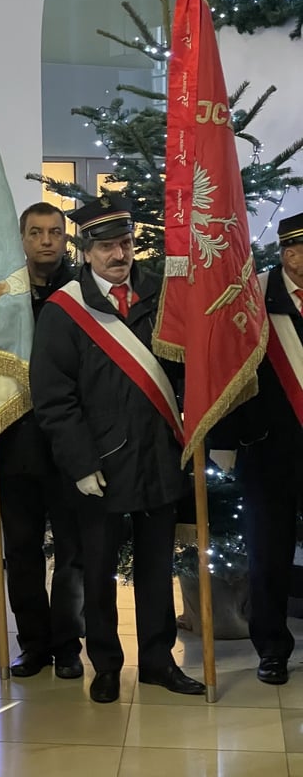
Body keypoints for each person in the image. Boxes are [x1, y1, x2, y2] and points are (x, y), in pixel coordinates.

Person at [30, 193, 205, 704]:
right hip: (99, 465)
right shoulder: (65, 310)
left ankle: (157, 661)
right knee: (98, 569)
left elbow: (186, 370)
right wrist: (81, 463)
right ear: (86, 251)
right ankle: (105, 664)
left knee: (156, 567)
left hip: (158, 455)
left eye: (125, 243)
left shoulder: (161, 294)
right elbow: (54, 398)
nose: (119, 254)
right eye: (106, 246)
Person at [0, 202, 85, 679]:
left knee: (74, 550)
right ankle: (34, 643)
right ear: (22, 239)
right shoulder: (2, 294)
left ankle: (68, 644)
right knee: (21, 550)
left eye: (54, 232)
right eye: (36, 232)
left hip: (72, 444)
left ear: (65, 237)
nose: (46, 240)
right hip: (16, 440)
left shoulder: (82, 291)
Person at [219, 212, 303, 685]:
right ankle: (271, 649)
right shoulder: (253, 297)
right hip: (270, 449)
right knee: (268, 555)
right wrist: (229, 442)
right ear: (290, 255)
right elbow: (226, 372)